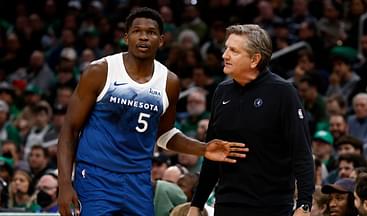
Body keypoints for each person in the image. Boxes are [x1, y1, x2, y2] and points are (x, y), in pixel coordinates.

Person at [57, 7, 248, 216]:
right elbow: (70, 129)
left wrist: (203, 149)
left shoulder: (169, 82)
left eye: (151, 32)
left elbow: (164, 135)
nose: (144, 37)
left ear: (162, 40)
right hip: (95, 176)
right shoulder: (100, 71)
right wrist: (65, 184)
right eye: (137, 31)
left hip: (138, 180)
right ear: (126, 37)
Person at [188, 24, 314, 216]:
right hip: (226, 205)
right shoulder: (221, 91)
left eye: (234, 51)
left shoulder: (283, 92)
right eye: (226, 48)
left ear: (255, 59)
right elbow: (212, 153)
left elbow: (302, 152)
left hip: (271, 207)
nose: (225, 55)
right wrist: (196, 204)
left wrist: (304, 203)